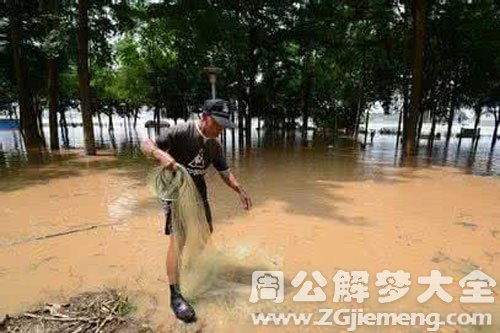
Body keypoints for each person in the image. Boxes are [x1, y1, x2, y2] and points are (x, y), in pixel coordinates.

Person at [141, 99, 252, 323]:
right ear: (204, 117)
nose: (220, 129)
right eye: (217, 123)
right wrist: (162, 156)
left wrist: (239, 189)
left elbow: (224, 171)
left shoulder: (214, 145)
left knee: (205, 234)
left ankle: (192, 268)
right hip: (175, 191)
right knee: (178, 239)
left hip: (198, 191)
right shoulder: (182, 131)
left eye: (224, 125)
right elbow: (146, 144)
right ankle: (175, 295)